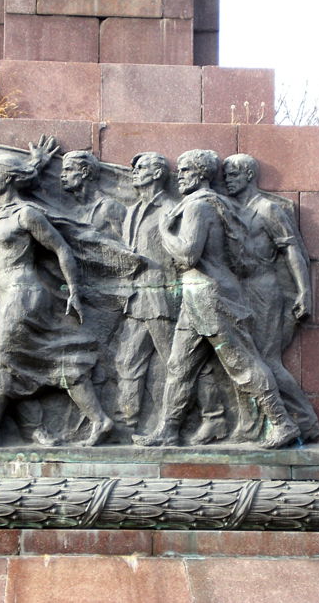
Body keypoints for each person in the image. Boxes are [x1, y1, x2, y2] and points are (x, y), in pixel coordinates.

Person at [132, 149, 300, 449]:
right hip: (195, 295)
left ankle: (282, 423)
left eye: (184, 170)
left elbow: (187, 254)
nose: (179, 176)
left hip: (211, 295)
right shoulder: (203, 204)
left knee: (243, 365)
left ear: (200, 173)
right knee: (178, 367)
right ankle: (168, 430)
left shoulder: (199, 207)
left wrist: (164, 232)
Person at [0, 153, 115, 447]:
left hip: (24, 296)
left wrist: (75, 290)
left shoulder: (26, 214)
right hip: (7, 297)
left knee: (0, 361)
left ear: (9, 179)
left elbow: (62, 249)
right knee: (56, 361)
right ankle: (100, 419)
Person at [222, 153, 319, 442]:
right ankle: (252, 424)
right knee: (245, 360)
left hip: (263, 289)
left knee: (266, 360)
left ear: (249, 176)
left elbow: (294, 251)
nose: (227, 180)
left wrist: (304, 291)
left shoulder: (268, 209)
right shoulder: (230, 209)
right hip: (236, 291)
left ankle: (306, 422)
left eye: (233, 175)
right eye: (226, 175)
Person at [112, 152, 180, 430]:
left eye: (140, 168)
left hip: (161, 296)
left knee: (175, 363)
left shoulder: (172, 209)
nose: (134, 172)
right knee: (127, 360)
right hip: (136, 296)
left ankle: (210, 416)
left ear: (157, 173)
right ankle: (127, 422)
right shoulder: (131, 211)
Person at [60, 150, 126, 237]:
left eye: (68, 169)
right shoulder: (75, 212)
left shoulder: (108, 207)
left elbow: (124, 245)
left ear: (85, 172)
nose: (62, 175)